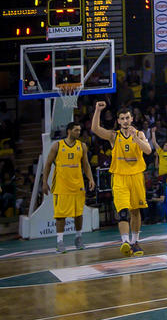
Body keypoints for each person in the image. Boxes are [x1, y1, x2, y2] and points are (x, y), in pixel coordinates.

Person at [91, 101, 152, 256]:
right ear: (118, 121)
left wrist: (135, 138)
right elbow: (95, 129)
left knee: (135, 211)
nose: (125, 121)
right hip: (119, 177)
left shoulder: (139, 134)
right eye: (122, 118)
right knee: (123, 210)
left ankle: (135, 242)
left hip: (136, 176)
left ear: (132, 119)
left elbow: (148, 151)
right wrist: (98, 110)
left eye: (127, 118)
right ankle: (125, 242)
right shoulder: (114, 136)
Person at [42, 122, 95, 253]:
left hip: (78, 185)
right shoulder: (57, 146)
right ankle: (60, 242)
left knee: (78, 214)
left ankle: (78, 238)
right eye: (76, 130)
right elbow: (48, 164)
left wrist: (91, 179)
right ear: (69, 131)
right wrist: (44, 182)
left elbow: (86, 164)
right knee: (60, 215)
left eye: (79, 130)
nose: (79, 132)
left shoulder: (82, 146)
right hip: (62, 186)